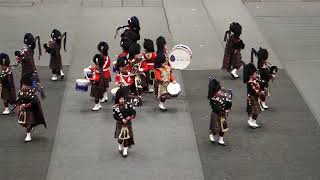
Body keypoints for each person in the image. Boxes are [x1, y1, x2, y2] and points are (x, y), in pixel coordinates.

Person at [16, 73, 46, 142]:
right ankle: (29, 129)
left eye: (25, 85)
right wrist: (19, 106)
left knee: (28, 124)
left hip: (30, 110)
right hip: (23, 111)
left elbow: (34, 102)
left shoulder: (31, 93)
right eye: (23, 85)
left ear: (28, 86)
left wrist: (25, 105)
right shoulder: (20, 92)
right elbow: (18, 100)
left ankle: (28, 135)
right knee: (25, 124)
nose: (23, 86)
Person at [113, 87, 136, 158]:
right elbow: (115, 116)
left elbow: (133, 112)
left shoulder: (129, 105)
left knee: (126, 138)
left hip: (128, 124)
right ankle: (120, 146)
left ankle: (125, 151)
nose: (121, 100)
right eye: (120, 99)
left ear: (124, 99)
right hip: (120, 124)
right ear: (118, 100)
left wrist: (131, 116)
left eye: (122, 99)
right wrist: (121, 119)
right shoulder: (115, 107)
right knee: (120, 138)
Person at [154, 36, 176, 111]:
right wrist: (160, 79)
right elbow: (156, 71)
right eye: (165, 45)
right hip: (162, 81)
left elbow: (169, 69)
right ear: (163, 46)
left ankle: (161, 103)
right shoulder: (160, 57)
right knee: (163, 94)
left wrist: (169, 67)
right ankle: (161, 104)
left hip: (166, 78)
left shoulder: (163, 54)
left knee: (165, 93)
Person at [208, 78, 230, 146]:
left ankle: (221, 139)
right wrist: (224, 109)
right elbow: (215, 107)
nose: (220, 92)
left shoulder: (222, 96)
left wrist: (228, 104)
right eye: (218, 91)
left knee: (223, 127)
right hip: (216, 114)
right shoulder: (213, 99)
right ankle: (212, 134)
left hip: (222, 114)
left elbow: (227, 104)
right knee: (215, 127)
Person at [243, 63, 262, 128]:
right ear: (250, 76)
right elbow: (255, 90)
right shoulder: (250, 83)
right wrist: (260, 92)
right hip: (252, 97)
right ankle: (252, 121)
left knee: (255, 110)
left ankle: (253, 121)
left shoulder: (254, 80)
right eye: (254, 74)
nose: (256, 74)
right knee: (256, 110)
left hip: (255, 97)